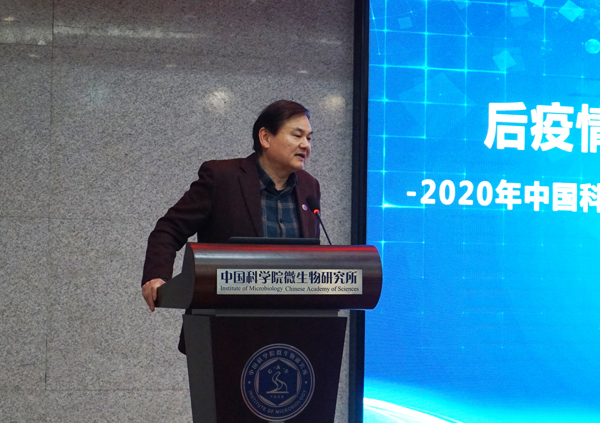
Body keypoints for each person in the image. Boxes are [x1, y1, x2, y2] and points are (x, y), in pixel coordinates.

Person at [141, 100, 321, 317]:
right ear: (265, 137)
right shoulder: (222, 178)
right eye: (297, 135)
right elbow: (169, 230)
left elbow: (311, 257)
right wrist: (157, 276)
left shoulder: (309, 186)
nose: (306, 145)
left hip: (293, 323)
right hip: (221, 321)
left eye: (309, 138)